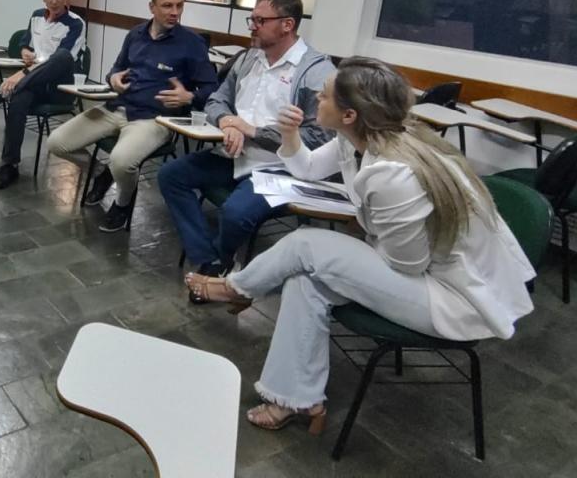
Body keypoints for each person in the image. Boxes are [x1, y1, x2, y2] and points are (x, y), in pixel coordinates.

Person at [186, 57, 535, 433]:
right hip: (420, 273)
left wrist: (346, 252)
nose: (316, 97)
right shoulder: (359, 138)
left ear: (350, 114)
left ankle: (236, 287)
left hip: (453, 298)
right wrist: (290, 137)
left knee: (307, 246)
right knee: (305, 280)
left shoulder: (393, 174)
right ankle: (297, 400)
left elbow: (407, 265)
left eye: (324, 95)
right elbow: (305, 169)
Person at [158, 0, 335, 286]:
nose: (251, 25)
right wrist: (228, 122)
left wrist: (252, 130)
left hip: (279, 166)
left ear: (287, 25)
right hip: (235, 154)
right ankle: (210, 261)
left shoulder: (316, 72)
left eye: (259, 20)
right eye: (251, 19)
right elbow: (216, 100)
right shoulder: (248, 58)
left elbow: (320, 136)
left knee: (236, 213)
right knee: (171, 175)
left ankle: (221, 260)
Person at [47, 0, 218, 232]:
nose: (175, 12)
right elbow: (116, 69)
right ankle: (100, 174)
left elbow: (213, 89)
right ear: (152, 7)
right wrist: (113, 78)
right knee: (57, 142)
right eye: (167, 5)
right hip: (116, 106)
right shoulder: (136, 34)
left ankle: (122, 202)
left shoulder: (191, 44)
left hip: (153, 118)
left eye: (180, 6)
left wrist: (189, 97)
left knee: (121, 159)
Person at [0, 0, 86, 189]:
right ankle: (9, 165)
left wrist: (21, 75)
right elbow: (25, 43)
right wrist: (26, 51)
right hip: (33, 83)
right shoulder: (36, 16)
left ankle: (0, 93)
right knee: (18, 99)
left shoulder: (76, 24)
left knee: (60, 57)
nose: (54, 1)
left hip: (59, 86)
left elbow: (60, 60)